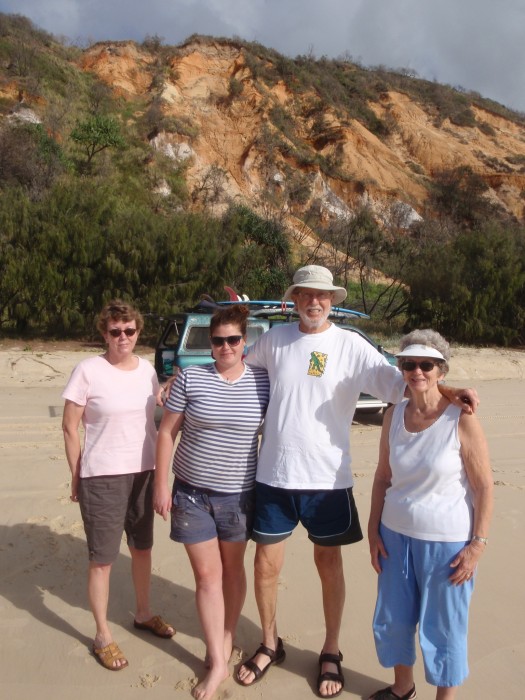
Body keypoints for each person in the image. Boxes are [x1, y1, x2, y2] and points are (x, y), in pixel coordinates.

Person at [235, 265, 478, 699]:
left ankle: (331, 649)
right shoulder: (273, 341)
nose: (315, 302)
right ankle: (270, 643)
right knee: (266, 566)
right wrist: (181, 381)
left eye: (323, 295)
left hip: (328, 480)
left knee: (328, 565)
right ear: (293, 299)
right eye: (306, 294)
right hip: (273, 475)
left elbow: (404, 382)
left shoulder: (351, 345)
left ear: (333, 300)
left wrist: (449, 389)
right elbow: (234, 372)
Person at [367, 329, 493, 700]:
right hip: (394, 536)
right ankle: (402, 688)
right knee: (394, 620)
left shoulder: (461, 417)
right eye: (409, 364)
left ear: (441, 370)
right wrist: (373, 531)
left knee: (444, 628)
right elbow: (381, 477)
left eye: (426, 364)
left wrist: (478, 545)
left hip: (448, 544)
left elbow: (485, 486)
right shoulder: (394, 415)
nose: (417, 371)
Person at [154, 305, 270, 700]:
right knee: (207, 577)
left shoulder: (263, 382)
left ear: (244, 342)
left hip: (239, 495)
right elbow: (167, 433)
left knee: (232, 572)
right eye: (217, 340)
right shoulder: (190, 379)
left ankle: (223, 636)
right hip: (190, 493)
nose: (224, 347)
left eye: (232, 340)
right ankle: (219, 663)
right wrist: (161, 484)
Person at [62, 300, 174, 671]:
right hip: (102, 476)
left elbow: (155, 417)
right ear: (104, 333)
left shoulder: (146, 370)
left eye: (129, 330)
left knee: (142, 548)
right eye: (115, 331)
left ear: (138, 331)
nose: (123, 337)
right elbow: (69, 427)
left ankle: (142, 613)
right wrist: (77, 474)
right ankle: (102, 634)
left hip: (143, 472)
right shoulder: (87, 370)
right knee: (103, 559)